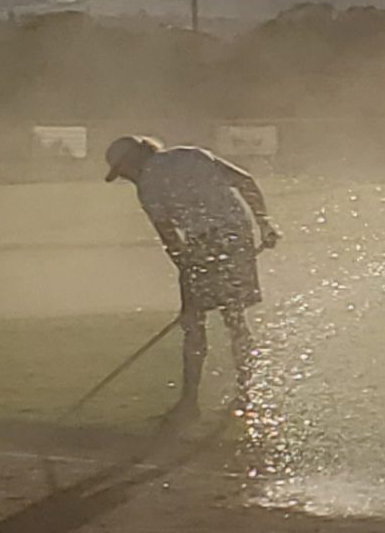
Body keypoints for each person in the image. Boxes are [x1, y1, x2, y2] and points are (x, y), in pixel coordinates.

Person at [103, 135, 279, 418]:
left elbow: (170, 239)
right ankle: (246, 394)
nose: (126, 177)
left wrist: (189, 276)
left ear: (133, 161)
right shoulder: (192, 154)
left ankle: (190, 401)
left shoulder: (147, 186)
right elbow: (245, 181)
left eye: (123, 172)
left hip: (204, 241)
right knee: (235, 318)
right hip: (238, 234)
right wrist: (264, 222)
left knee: (194, 324)